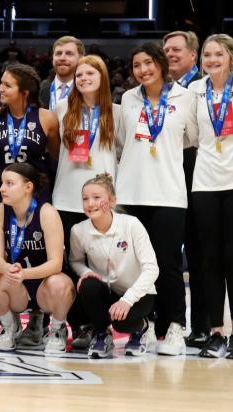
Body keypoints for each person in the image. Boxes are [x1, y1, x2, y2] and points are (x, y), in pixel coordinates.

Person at [115, 42, 198, 356]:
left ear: (161, 64)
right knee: (138, 267)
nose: (143, 70)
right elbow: (125, 141)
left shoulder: (185, 98)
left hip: (168, 193)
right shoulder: (128, 98)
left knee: (167, 264)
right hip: (132, 193)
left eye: (148, 63)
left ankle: (176, 326)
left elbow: (191, 138)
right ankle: (147, 325)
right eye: (137, 65)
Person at [187, 34, 233, 359]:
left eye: (218, 54)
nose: (211, 59)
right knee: (209, 260)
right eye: (206, 54)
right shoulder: (195, 91)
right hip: (204, 184)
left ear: (231, 57)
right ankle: (216, 333)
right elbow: (192, 134)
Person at [51, 54, 124, 350]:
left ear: (103, 77)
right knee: (70, 266)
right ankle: (77, 324)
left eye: (90, 74)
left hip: (101, 202)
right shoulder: (61, 108)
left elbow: (123, 152)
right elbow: (54, 149)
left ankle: (100, 326)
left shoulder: (116, 113)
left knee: (99, 265)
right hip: (66, 198)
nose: (83, 79)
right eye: (79, 75)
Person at [0, 163, 74, 353]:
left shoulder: (46, 212)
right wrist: (8, 270)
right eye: (2, 183)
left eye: (9, 183)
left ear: (28, 187)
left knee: (62, 284)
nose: (1, 188)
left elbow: (56, 263)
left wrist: (25, 273)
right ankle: (9, 326)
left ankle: (56, 330)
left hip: (43, 287)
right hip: (16, 285)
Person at [69, 174, 159, 359]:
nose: (90, 203)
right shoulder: (78, 230)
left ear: (112, 201)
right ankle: (102, 335)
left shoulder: (131, 224)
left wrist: (127, 300)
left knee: (121, 323)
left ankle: (141, 328)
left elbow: (152, 268)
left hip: (138, 294)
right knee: (88, 285)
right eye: (85, 198)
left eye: (97, 197)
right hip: (108, 292)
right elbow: (75, 261)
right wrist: (86, 272)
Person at [163, 30, 207, 347]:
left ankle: (202, 324)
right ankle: (166, 322)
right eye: (166, 50)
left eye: (176, 49)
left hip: (198, 173)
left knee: (198, 251)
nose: (170, 54)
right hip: (166, 173)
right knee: (165, 255)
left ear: (193, 54)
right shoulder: (161, 89)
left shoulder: (203, 88)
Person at [0, 63, 59, 205]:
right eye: (1, 83)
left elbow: (55, 156)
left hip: (35, 193)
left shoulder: (47, 118)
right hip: (0, 192)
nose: (1, 88)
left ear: (24, 93)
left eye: (7, 85)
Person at [40, 36, 84, 111]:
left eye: (69, 54)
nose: (62, 58)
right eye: (58, 53)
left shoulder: (88, 91)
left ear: (81, 58)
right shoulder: (40, 90)